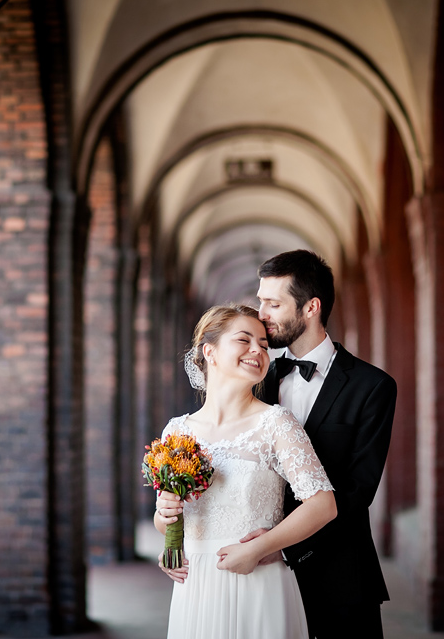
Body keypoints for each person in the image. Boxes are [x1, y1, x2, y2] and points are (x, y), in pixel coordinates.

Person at [153, 304, 336, 639]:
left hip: (259, 581)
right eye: (244, 340)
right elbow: (167, 516)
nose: (258, 350)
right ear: (210, 351)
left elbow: (323, 505)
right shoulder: (176, 432)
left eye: (264, 345)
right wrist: (165, 526)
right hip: (196, 588)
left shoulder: (276, 423)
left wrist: (259, 548)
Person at [247, 249, 397, 638]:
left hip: (339, 575)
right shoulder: (254, 380)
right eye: (260, 300)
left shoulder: (373, 387)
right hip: (256, 576)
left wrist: (282, 546)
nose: (261, 313)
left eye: (273, 303)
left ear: (311, 307)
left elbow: (356, 491)